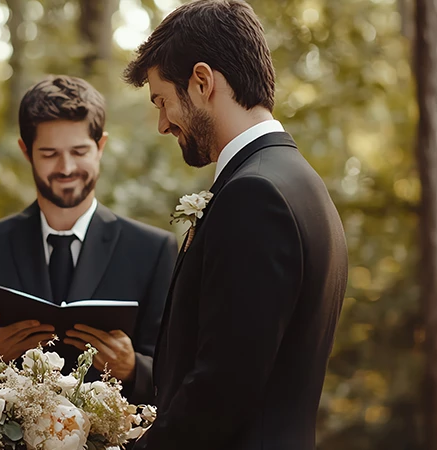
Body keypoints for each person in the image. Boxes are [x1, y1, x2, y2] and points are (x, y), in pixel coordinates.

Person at [122, 1, 348, 449]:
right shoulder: (300, 181)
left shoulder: (254, 195)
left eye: (163, 101)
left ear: (203, 81)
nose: (163, 124)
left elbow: (223, 385)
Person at [0, 75, 177, 405]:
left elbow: (177, 373)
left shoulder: (153, 250)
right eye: (50, 153)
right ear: (26, 151)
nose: (66, 168)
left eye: (79, 151)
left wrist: (133, 368)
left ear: (101, 146)